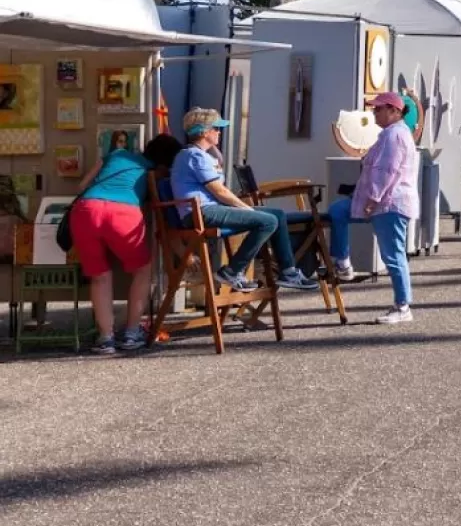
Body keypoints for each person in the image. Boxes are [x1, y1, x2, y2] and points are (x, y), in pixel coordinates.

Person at [170, 108, 318, 292]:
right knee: (268, 221)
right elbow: (219, 191)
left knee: (278, 215)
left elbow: (218, 186)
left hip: (208, 210)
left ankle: (288, 272)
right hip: (201, 213)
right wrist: (244, 208)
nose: (219, 132)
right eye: (216, 128)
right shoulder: (195, 156)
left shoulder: (198, 155)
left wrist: (216, 154)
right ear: (204, 132)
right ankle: (233, 271)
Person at [70, 134, 182, 354]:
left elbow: (82, 184)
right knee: (143, 271)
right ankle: (131, 334)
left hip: (85, 210)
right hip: (123, 213)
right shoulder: (156, 173)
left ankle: (106, 339)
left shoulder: (117, 153)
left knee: (99, 277)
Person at [325, 92, 420, 324]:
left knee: (393, 254)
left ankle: (402, 305)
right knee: (338, 211)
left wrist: (372, 198)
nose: (374, 112)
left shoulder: (394, 135)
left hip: (389, 204)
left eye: (378, 109)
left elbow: (387, 171)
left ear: (394, 111)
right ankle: (343, 262)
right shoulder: (391, 134)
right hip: (383, 202)